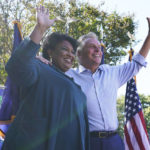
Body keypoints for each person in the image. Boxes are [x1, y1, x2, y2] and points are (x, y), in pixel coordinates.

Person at [38, 17, 150, 150]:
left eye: (99, 47)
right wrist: (38, 58)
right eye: (92, 47)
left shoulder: (112, 73)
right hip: (87, 143)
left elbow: (137, 63)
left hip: (114, 142)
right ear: (78, 53)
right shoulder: (67, 76)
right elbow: (46, 68)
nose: (98, 50)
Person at [2, 6, 90, 150]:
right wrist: (40, 29)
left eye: (73, 52)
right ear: (50, 52)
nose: (70, 55)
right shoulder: (39, 67)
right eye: (64, 49)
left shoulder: (76, 87)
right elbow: (16, 66)